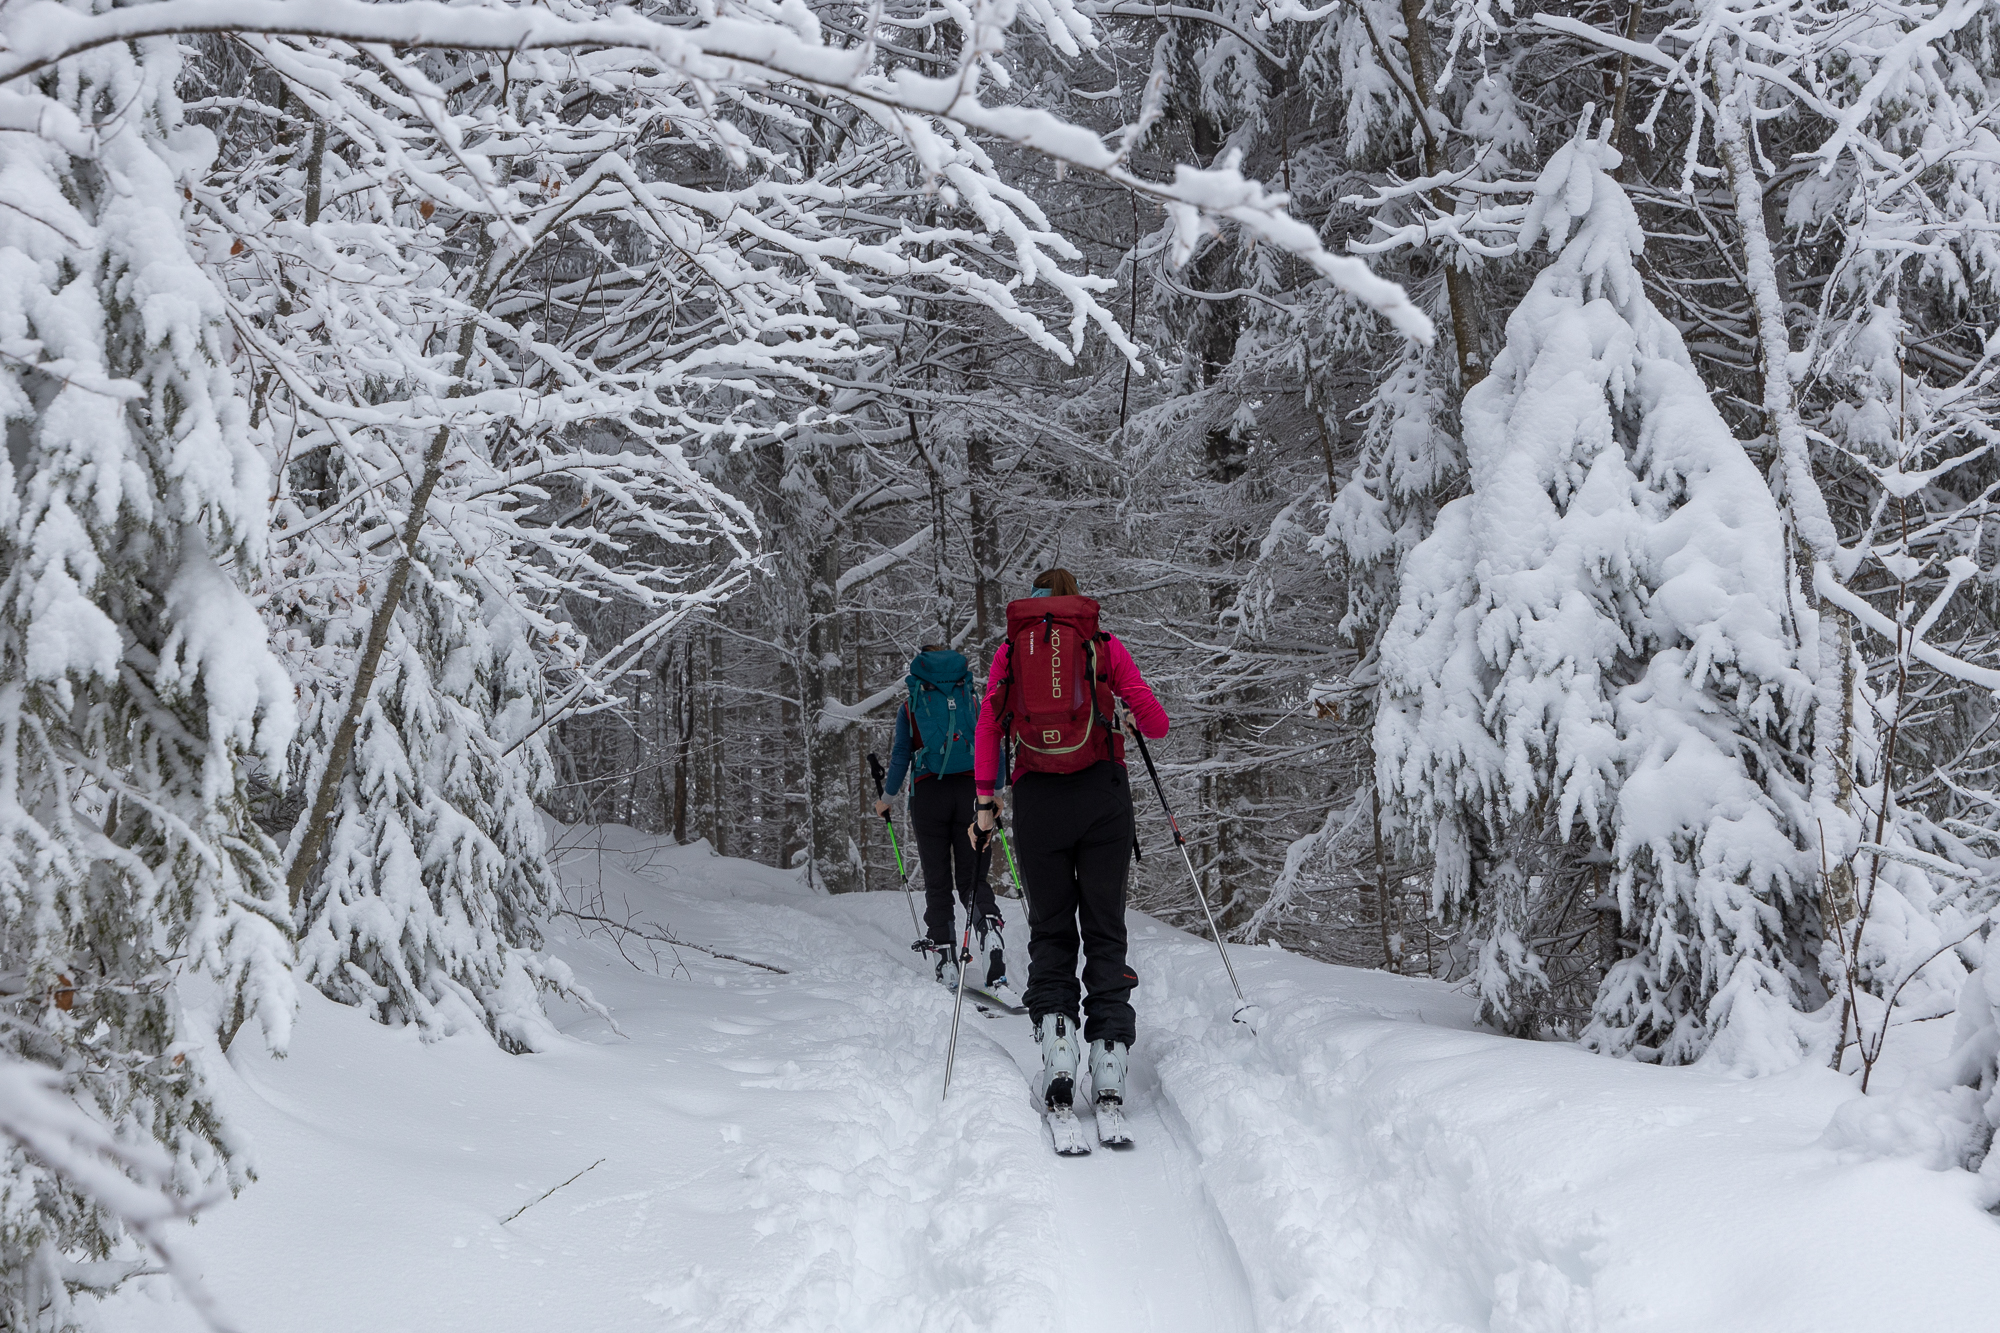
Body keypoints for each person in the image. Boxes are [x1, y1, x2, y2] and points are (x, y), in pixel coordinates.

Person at [970, 568, 1167, 1114]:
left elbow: (989, 723)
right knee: (1105, 928)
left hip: (1038, 803)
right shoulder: (1102, 645)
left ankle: (1058, 1046)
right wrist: (1123, 714)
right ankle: (1108, 1056)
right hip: (1102, 797)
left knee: (1051, 929)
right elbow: (1158, 724)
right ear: (1077, 600)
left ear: (1033, 602)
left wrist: (986, 800)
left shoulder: (1011, 652)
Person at [878, 644, 1012, 995]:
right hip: (972, 793)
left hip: (929, 795)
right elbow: (991, 743)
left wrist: (886, 799)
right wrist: (996, 791)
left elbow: (900, 757)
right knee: (972, 877)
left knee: (938, 881)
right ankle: (989, 931)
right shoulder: (971, 698)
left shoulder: (912, 704)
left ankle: (947, 960)